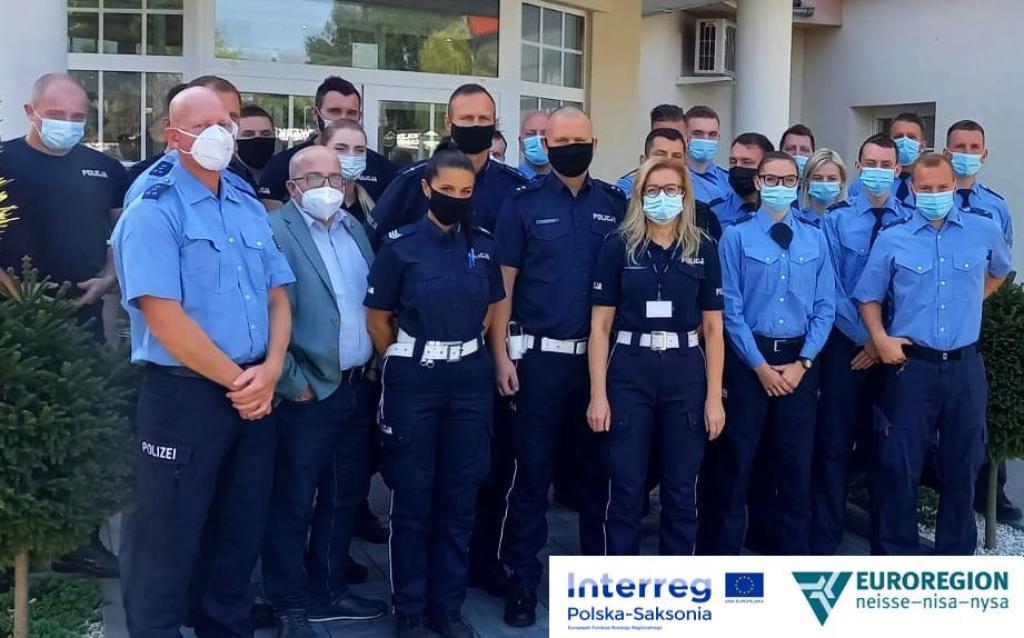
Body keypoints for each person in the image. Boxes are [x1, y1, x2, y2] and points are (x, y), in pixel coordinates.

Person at [110, 86, 295, 636]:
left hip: (256, 391)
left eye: (227, 121)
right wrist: (243, 383)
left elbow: (279, 295)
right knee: (165, 544)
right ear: (173, 136)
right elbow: (163, 317)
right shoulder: (153, 209)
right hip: (186, 396)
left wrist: (273, 367)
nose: (222, 133)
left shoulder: (243, 201)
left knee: (237, 538)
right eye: (204, 124)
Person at [492, 106, 627, 628]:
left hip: (599, 365)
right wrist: (501, 354)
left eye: (579, 139)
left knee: (598, 477)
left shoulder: (615, 204)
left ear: (595, 143)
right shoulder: (522, 203)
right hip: (538, 362)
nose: (571, 148)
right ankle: (523, 583)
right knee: (531, 476)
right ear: (545, 146)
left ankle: (595, 586)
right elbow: (503, 286)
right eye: (560, 140)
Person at [365, 144, 505, 638]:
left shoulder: (484, 245)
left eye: (465, 192)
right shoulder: (399, 246)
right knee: (413, 495)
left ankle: (448, 607)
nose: (455, 198)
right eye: (446, 189)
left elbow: (492, 306)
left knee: (460, 496)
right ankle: (410, 607)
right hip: (415, 379)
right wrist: (407, 357)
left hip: (469, 378)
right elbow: (378, 320)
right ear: (426, 189)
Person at [0, 72, 129, 577]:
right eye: (57, 116)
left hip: (82, 317)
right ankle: (8, 549)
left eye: (78, 117)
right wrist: (17, 294)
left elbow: (124, 233)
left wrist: (109, 278)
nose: (69, 125)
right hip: (11, 321)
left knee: (82, 432)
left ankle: (81, 541)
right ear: (30, 112)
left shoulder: (105, 169)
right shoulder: (3, 162)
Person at [853, 153, 1011, 555]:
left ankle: (952, 561)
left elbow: (999, 271)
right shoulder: (893, 238)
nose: (935, 194)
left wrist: (971, 302)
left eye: (942, 187)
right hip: (912, 368)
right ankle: (897, 560)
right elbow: (868, 296)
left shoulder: (983, 229)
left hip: (964, 367)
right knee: (899, 468)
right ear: (912, 189)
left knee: (963, 467)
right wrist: (880, 338)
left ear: (954, 186)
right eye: (926, 188)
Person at [261, 146, 388, 637]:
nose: (328, 186)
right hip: (308, 392)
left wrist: (373, 363)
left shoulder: (354, 228)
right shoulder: (274, 232)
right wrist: (294, 382)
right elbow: (265, 314)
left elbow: (368, 302)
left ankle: (328, 589)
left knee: (344, 496)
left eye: (335, 177)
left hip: (356, 386)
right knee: (293, 501)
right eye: (315, 177)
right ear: (293, 187)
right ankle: (288, 601)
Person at [587, 156, 725, 556]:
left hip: (685, 370)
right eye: (653, 190)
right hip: (630, 367)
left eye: (671, 190)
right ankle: (621, 581)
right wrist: (598, 395)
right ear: (639, 195)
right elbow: (600, 327)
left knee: (681, 490)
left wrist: (714, 398)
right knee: (626, 487)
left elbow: (714, 330)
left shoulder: (703, 248)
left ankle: (676, 580)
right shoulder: (618, 246)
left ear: (684, 195)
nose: (662, 198)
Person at [710, 151, 835, 555]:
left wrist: (804, 363)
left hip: (800, 363)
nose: (780, 187)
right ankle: (726, 559)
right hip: (750, 363)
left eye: (788, 180)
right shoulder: (736, 237)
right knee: (737, 464)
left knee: (796, 469)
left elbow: (826, 307)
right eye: (772, 179)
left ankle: (792, 563)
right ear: (759, 182)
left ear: (797, 184)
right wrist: (759, 366)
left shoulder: (816, 239)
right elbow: (730, 309)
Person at [811, 135, 911, 555]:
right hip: (845, 347)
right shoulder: (836, 220)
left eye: (886, 164)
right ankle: (825, 542)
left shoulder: (912, 221)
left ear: (898, 170)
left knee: (887, 451)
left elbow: (913, 292)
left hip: (896, 351)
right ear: (857, 165)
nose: (878, 170)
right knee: (833, 445)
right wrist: (867, 338)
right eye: (870, 162)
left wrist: (883, 342)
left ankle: (885, 549)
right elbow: (829, 286)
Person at [942, 118, 1021, 524]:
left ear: (984, 153)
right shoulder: (930, 195)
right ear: (946, 151)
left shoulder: (994, 205)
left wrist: (974, 301)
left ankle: (992, 492)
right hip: (931, 321)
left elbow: (1001, 266)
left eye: (974, 147)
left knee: (977, 412)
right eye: (960, 147)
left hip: (978, 318)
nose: (967, 154)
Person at [368, 83, 527, 246]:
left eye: (484, 118)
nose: (476, 125)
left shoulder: (515, 187)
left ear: (494, 124)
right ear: (448, 124)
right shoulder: (411, 182)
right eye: (467, 118)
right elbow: (373, 244)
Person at [259, 76, 396, 210]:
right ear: (315, 114)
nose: (343, 118)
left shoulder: (381, 168)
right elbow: (273, 218)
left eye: (351, 113)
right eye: (335, 111)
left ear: (359, 116)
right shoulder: (284, 164)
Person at [123, 75, 258, 206]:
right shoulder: (150, 189)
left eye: (231, 118)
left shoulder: (240, 179)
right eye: (206, 118)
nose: (219, 129)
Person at [618, 128, 723, 241]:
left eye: (676, 157)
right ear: (643, 161)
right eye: (660, 155)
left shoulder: (704, 217)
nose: (668, 163)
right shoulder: (621, 211)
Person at [848, 112, 927, 203]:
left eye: (911, 137)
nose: (904, 142)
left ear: (922, 146)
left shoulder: (932, 184)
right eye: (898, 137)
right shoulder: (862, 185)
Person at [320, 118, 380, 228]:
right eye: (340, 149)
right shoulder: (313, 203)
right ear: (322, 151)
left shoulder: (373, 204)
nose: (351, 156)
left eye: (360, 150)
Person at [615, 104, 687, 196]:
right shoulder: (627, 188)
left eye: (676, 135)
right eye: (661, 134)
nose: (668, 141)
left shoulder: (699, 184)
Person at [126, 82, 187, 183]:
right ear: (169, 124)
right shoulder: (141, 175)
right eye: (199, 124)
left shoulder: (217, 175)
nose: (211, 131)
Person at [712, 132, 774, 227]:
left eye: (746, 162)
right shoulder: (714, 211)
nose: (737, 167)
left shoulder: (781, 212)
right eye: (733, 161)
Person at [683, 106, 731, 206]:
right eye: (698, 133)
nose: (706, 139)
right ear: (684, 136)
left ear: (718, 137)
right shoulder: (675, 178)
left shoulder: (729, 181)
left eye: (712, 134)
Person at [797, 148, 847, 224]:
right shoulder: (797, 221)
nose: (824, 183)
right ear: (807, 181)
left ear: (842, 182)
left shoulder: (851, 221)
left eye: (832, 179)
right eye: (817, 178)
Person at [236, 104, 277, 182]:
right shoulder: (223, 177)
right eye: (248, 134)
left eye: (265, 134)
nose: (258, 138)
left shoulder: (286, 172)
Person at [517, 110, 550, 180]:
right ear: (520, 143)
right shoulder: (509, 181)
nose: (538, 139)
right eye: (531, 134)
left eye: (544, 134)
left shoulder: (567, 182)